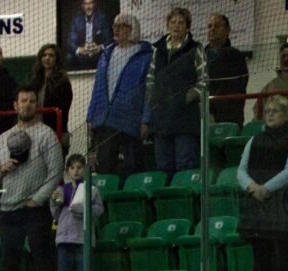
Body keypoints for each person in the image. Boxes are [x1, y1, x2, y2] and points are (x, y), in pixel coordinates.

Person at [0, 86, 64, 271]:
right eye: (23, 101)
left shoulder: (46, 135)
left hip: (35, 211)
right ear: (15, 105)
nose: (27, 105)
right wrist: (2, 169)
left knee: (42, 262)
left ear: (37, 105)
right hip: (8, 210)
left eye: (32, 101)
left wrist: (37, 200)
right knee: (8, 265)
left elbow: (56, 172)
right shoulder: (3, 138)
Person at [237, 95, 288, 271]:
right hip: (256, 204)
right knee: (259, 255)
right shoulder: (254, 139)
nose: (270, 115)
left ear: (286, 114)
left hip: (280, 205)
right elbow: (241, 170)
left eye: (274, 111)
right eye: (267, 111)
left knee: (280, 253)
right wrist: (252, 188)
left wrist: (265, 188)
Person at [87, 14, 153, 179]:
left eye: (121, 26)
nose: (116, 29)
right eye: (115, 26)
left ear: (132, 30)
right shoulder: (106, 55)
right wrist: (91, 116)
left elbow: (150, 91)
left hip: (131, 120)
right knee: (105, 168)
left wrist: (146, 119)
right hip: (106, 121)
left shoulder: (146, 56)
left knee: (132, 168)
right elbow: (98, 89)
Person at [144, 7, 207, 177]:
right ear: (167, 25)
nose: (176, 26)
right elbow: (150, 79)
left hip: (185, 120)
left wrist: (185, 98)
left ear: (188, 27)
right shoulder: (157, 50)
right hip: (161, 120)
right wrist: (155, 99)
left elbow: (204, 82)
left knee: (185, 165)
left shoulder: (196, 49)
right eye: (173, 22)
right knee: (163, 167)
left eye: (181, 23)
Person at [50, 153, 104, 271]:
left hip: (82, 239)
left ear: (84, 169)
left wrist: (83, 209)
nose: (76, 171)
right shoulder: (62, 189)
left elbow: (99, 209)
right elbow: (56, 214)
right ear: (68, 170)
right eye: (72, 168)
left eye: (79, 167)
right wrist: (54, 201)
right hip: (64, 238)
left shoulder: (91, 188)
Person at [205, 13, 248, 126]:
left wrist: (212, 108)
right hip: (203, 115)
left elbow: (236, 86)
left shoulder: (236, 56)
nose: (212, 29)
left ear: (227, 30)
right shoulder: (200, 55)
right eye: (210, 26)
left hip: (228, 116)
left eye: (217, 26)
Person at [28, 44, 74, 147]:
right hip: (36, 132)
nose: (47, 58)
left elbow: (64, 107)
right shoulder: (35, 81)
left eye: (51, 55)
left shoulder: (63, 82)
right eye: (44, 55)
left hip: (56, 132)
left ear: (56, 59)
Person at [68, 0, 111, 70]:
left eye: (90, 3)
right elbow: (71, 42)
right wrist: (80, 49)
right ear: (82, 6)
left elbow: (108, 39)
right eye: (86, 4)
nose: (88, 7)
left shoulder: (102, 18)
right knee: (69, 57)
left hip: (97, 51)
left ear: (94, 4)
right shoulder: (76, 20)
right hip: (83, 51)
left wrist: (99, 47)